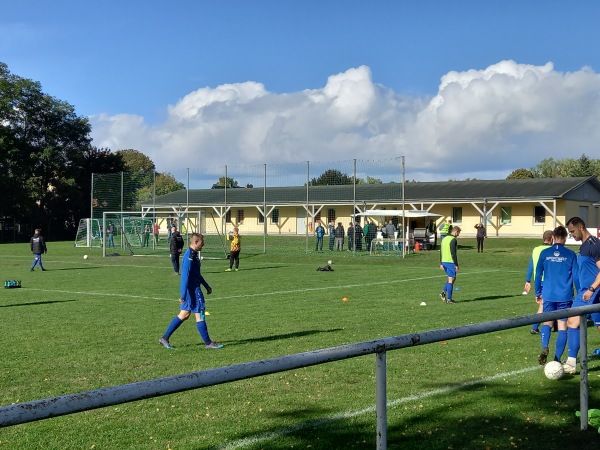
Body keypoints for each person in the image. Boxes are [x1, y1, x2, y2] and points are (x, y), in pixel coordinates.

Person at [158, 233, 223, 350]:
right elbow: (185, 277)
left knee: (184, 314)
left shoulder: (194, 255)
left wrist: (206, 285)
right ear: (196, 242)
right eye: (202, 243)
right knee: (200, 315)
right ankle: (208, 343)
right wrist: (183, 294)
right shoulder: (189, 256)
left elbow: (196, 274)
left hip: (192, 289)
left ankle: (164, 338)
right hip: (192, 291)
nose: (203, 245)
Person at [534, 226, 578, 365]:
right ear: (565, 237)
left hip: (548, 293)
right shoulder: (571, 254)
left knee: (547, 322)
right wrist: (579, 293)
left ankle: (544, 346)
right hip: (564, 295)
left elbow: (538, 274)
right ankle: (557, 359)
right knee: (562, 326)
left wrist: (537, 292)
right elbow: (576, 276)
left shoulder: (545, 253)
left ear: (553, 237)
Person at [563, 216, 600, 374]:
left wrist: (592, 289)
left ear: (581, 227)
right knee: (572, 321)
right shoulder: (584, 246)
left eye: (572, 231)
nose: (571, 235)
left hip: (595, 292)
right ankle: (571, 363)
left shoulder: (595, 245)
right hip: (584, 294)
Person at [523, 230, 553, 335]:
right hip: (548, 280)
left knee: (548, 303)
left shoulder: (535, 249)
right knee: (543, 304)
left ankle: (556, 325)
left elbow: (531, 265)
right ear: (552, 238)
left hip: (538, 280)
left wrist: (528, 280)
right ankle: (535, 326)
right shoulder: (551, 250)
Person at [439, 226, 461, 304]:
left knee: (451, 278)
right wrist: (456, 264)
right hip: (450, 262)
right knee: (451, 279)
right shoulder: (453, 240)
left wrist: (441, 263)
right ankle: (449, 299)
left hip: (444, 261)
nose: (458, 235)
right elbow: (453, 253)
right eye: (458, 233)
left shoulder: (444, 239)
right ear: (456, 231)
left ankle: (443, 292)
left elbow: (441, 251)